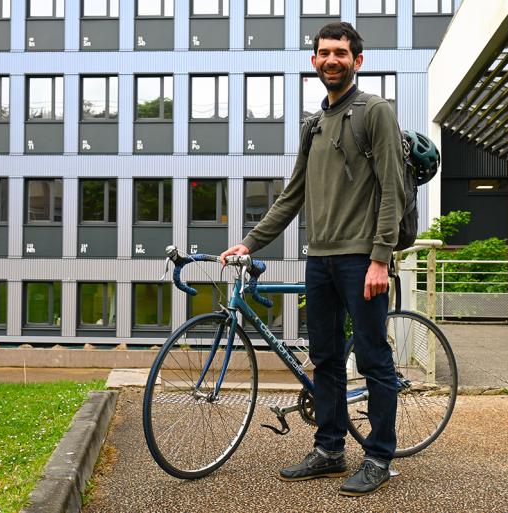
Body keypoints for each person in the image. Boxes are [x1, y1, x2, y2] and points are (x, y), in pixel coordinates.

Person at [220, 22, 405, 496]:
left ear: (357, 61)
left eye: (340, 53)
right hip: (319, 259)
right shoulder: (315, 124)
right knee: (324, 358)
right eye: (323, 53)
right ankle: (329, 450)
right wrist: (250, 242)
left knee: (372, 357)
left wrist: (381, 258)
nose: (331, 60)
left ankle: (380, 457)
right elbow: (292, 194)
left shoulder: (375, 111)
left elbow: (393, 189)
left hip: (363, 258)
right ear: (313, 62)